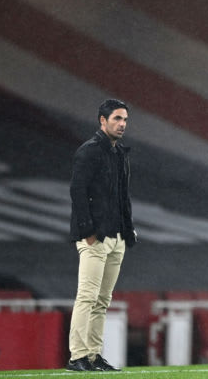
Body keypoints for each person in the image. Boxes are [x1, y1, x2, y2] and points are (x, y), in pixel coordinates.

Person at [66, 99, 137, 372]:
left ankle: (93, 355)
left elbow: (122, 198)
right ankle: (77, 356)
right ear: (102, 121)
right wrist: (88, 232)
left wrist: (127, 231)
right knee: (87, 296)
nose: (122, 124)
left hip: (116, 236)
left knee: (101, 301)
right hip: (96, 237)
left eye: (125, 120)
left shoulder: (119, 153)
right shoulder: (89, 151)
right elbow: (78, 192)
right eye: (117, 118)